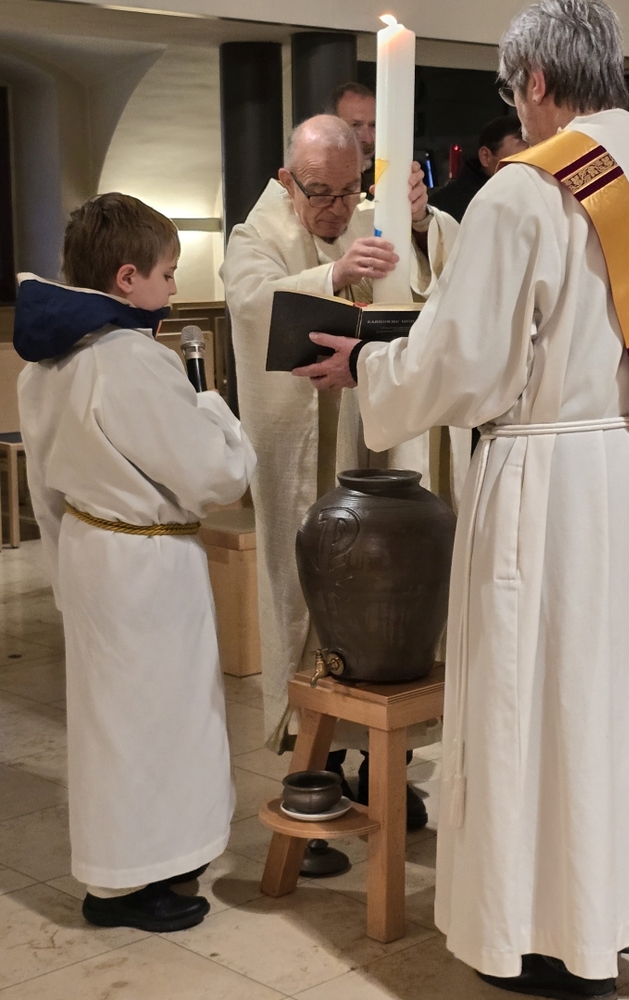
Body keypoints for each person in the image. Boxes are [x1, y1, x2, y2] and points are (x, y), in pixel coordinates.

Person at [292, 2, 629, 997]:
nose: (516, 115)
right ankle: (612, 911)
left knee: (538, 703)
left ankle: (544, 932)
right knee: (611, 701)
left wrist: (370, 369)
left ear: (534, 82)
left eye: (512, 94)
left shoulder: (529, 188)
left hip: (546, 479)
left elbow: (469, 362)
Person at [15, 193, 256, 932]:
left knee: (110, 724)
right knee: (159, 721)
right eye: (168, 273)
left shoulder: (45, 361)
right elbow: (216, 478)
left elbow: (43, 487)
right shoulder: (130, 360)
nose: (174, 288)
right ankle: (142, 881)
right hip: (146, 566)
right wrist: (214, 410)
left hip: (91, 550)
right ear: (127, 277)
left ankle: (117, 871)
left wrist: (62, 570)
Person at [222, 115, 463, 829]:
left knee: (394, 584)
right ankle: (316, 763)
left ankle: (384, 766)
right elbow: (249, 302)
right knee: (311, 589)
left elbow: (441, 275)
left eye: (350, 189)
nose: (337, 207)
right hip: (307, 447)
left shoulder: (373, 216)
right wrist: (332, 274)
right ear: (286, 180)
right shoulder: (255, 234)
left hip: (377, 432)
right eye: (320, 193)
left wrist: (418, 226)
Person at [429, 116, 528, 221]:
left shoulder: (529, 196)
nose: (530, 170)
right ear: (486, 157)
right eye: (520, 160)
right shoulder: (445, 209)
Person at [328, 81, 376, 192]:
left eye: (373, 125)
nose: (369, 140)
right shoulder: (313, 183)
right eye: (355, 125)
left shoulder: (388, 176)